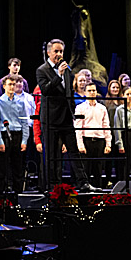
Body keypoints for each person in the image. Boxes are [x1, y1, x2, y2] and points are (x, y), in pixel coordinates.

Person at [36, 39, 92, 190]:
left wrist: (72, 111)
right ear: (49, 52)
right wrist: (58, 75)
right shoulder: (42, 70)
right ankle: (52, 185)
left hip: (66, 118)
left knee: (74, 152)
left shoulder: (67, 69)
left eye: (61, 51)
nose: (59, 54)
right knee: (53, 154)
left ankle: (84, 183)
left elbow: (69, 92)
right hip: (51, 119)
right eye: (56, 51)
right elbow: (46, 90)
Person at [0, 75, 30, 196]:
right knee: (2, 167)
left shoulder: (21, 102)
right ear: (4, 86)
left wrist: (24, 140)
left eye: (14, 85)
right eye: (9, 84)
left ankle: (18, 194)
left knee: (18, 167)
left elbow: (25, 122)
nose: (12, 87)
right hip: (4, 134)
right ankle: (0, 194)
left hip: (17, 135)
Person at [74, 82, 112, 189]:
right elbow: (78, 127)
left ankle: (98, 193)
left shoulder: (102, 108)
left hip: (99, 140)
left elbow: (106, 126)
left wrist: (108, 144)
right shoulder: (80, 108)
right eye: (89, 91)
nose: (92, 93)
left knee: (98, 169)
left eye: (94, 90)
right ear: (85, 92)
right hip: (86, 140)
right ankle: (86, 191)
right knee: (86, 168)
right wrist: (80, 145)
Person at [103, 78, 124, 183]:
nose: (115, 89)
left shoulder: (122, 102)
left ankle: (120, 181)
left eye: (117, 87)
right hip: (109, 132)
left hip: (120, 134)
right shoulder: (105, 102)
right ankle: (108, 181)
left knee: (119, 159)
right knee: (108, 159)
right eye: (113, 87)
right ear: (109, 89)